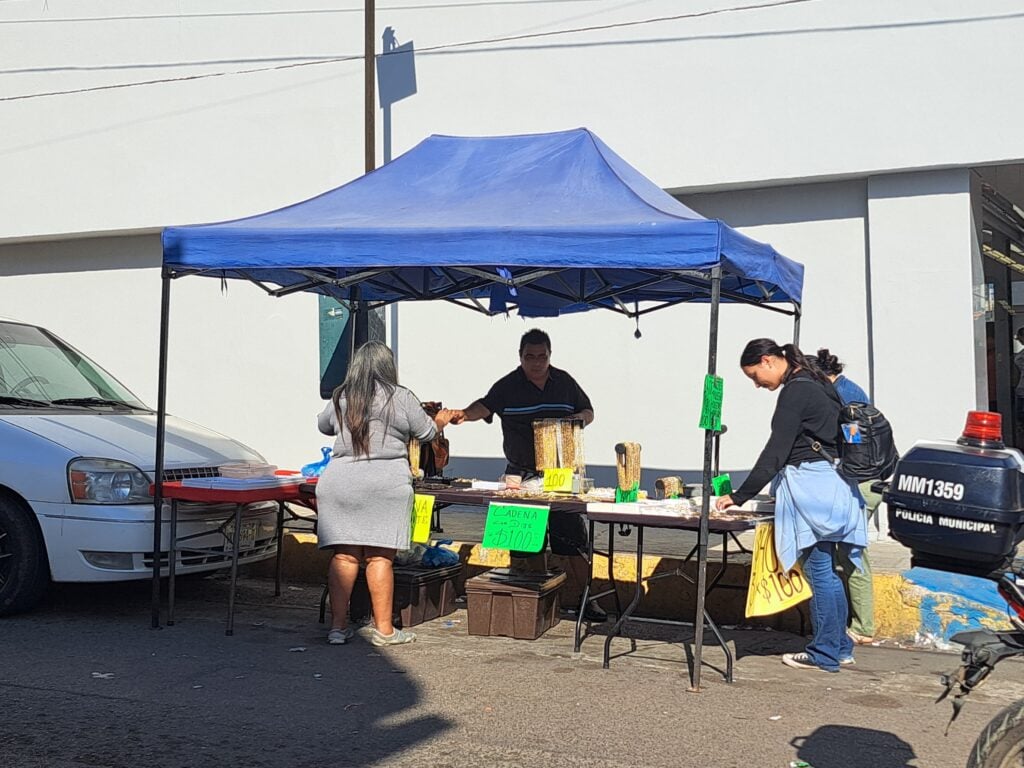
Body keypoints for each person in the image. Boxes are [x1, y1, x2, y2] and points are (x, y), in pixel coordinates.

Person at [715, 338, 866, 672]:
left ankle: (824, 652)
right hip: (835, 485)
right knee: (830, 570)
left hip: (811, 489)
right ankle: (839, 646)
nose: (757, 385)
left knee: (820, 571)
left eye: (755, 376)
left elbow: (776, 450)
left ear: (768, 361)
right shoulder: (816, 381)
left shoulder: (795, 390)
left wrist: (740, 495)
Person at [451, 328, 605, 622]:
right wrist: (459, 415)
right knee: (523, 545)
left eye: (542, 356)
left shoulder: (565, 381)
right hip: (518, 476)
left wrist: (578, 419)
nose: (536, 362)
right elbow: (483, 406)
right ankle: (527, 605)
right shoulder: (508, 385)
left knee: (572, 544)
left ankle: (588, 601)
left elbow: (588, 410)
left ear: (550, 356)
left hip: (560, 477)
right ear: (520, 357)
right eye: (530, 357)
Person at [317, 341, 458, 646]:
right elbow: (426, 433)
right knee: (380, 558)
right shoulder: (401, 396)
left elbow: (323, 426)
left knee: (344, 556)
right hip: (385, 484)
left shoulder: (342, 394)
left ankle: (338, 629)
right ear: (388, 367)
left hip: (339, 482)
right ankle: (384, 631)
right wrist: (442, 420)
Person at [815, 348, 879, 646]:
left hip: (863, 483)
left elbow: (855, 443)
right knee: (847, 551)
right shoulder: (845, 389)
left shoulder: (846, 396)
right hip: (863, 480)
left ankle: (864, 627)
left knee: (852, 552)